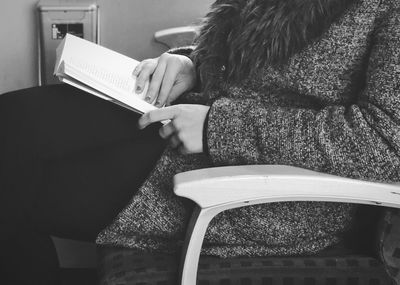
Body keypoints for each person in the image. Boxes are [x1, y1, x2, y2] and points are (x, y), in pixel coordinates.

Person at [1, 0, 399, 283]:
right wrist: (192, 64)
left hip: (267, 190)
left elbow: (383, 141)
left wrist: (218, 127)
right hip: (192, 123)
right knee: (12, 123)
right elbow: (267, 73)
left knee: (15, 184)